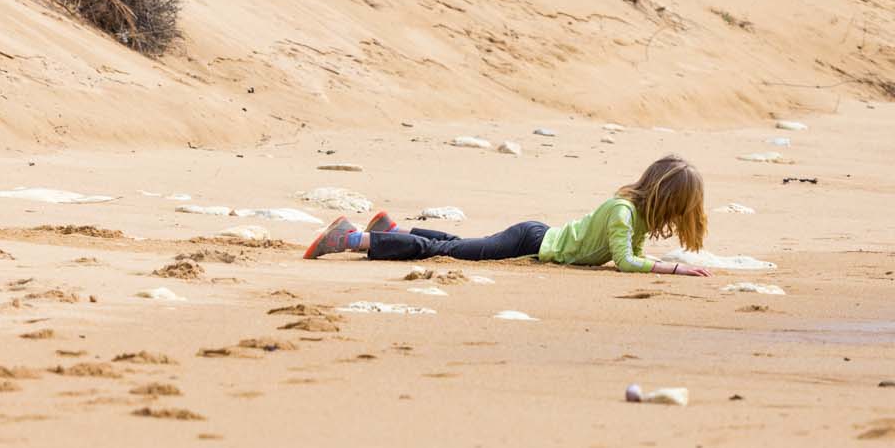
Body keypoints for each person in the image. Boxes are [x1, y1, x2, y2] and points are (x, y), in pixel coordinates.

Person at [303, 155, 712, 277]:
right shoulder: (622, 212)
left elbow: (633, 250)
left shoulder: (634, 215)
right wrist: (672, 269)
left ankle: (391, 230)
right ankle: (352, 238)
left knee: (458, 246)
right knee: (447, 251)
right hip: (531, 241)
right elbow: (625, 261)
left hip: (536, 238)